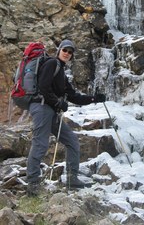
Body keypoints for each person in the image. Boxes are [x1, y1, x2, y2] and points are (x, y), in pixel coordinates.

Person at [26, 39, 106, 196]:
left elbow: (74, 97)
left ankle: (71, 178)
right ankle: (32, 184)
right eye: (65, 50)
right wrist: (57, 103)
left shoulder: (61, 73)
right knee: (40, 144)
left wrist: (94, 98)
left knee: (71, 141)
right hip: (42, 107)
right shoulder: (51, 64)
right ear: (59, 50)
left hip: (51, 110)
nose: (67, 53)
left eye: (70, 52)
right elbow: (43, 87)